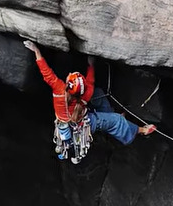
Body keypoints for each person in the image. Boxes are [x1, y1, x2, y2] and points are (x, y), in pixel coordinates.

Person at [23, 41, 156, 151]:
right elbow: (90, 82)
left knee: (98, 94)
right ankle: (141, 131)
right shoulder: (85, 95)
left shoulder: (59, 90)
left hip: (70, 123)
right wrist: (91, 65)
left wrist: (36, 50)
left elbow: (47, 73)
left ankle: (109, 117)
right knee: (117, 120)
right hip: (86, 124)